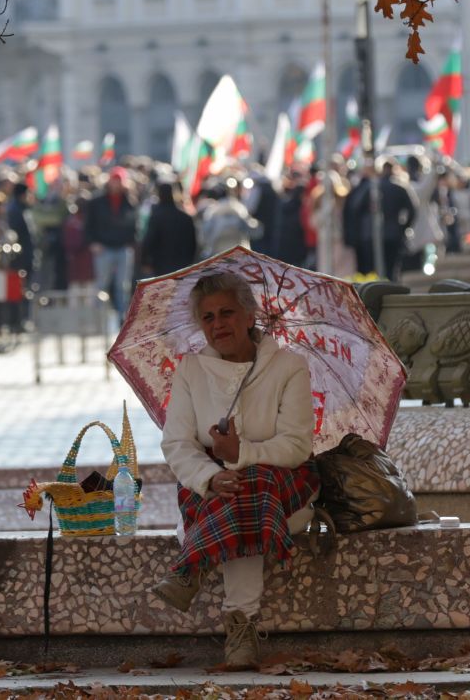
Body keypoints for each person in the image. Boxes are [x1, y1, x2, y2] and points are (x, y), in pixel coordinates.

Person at [153, 271, 317, 669]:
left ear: (249, 315)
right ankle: (242, 628)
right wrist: (210, 476)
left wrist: (240, 452)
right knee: (241, 494)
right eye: (207, 318)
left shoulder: (289, 367)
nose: (218, 325)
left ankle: (192, 563)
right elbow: (177, 444)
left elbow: (297, 446)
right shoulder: (191, 370)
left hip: (285, 492)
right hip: (209, 492)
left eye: (227, 313)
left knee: (254, 485)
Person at [84, 167, 138, 318]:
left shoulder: (130, 201)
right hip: (103, 248)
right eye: (114, 180)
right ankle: (97, 317)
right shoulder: (97, 202)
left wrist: (131, 241)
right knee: (101, 284)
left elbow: (134, 224)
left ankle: (123, 318)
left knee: (123, 286)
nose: (116, 184)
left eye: (119, 181)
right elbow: (89, 225)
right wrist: (93, 242)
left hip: (123, 248)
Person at [137, 182, 197, 278]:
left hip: (161, 266)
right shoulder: (185, 218)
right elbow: (193, 244)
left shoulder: (156, 216)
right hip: (182, 266)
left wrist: (145, 261)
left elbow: (149, 240)